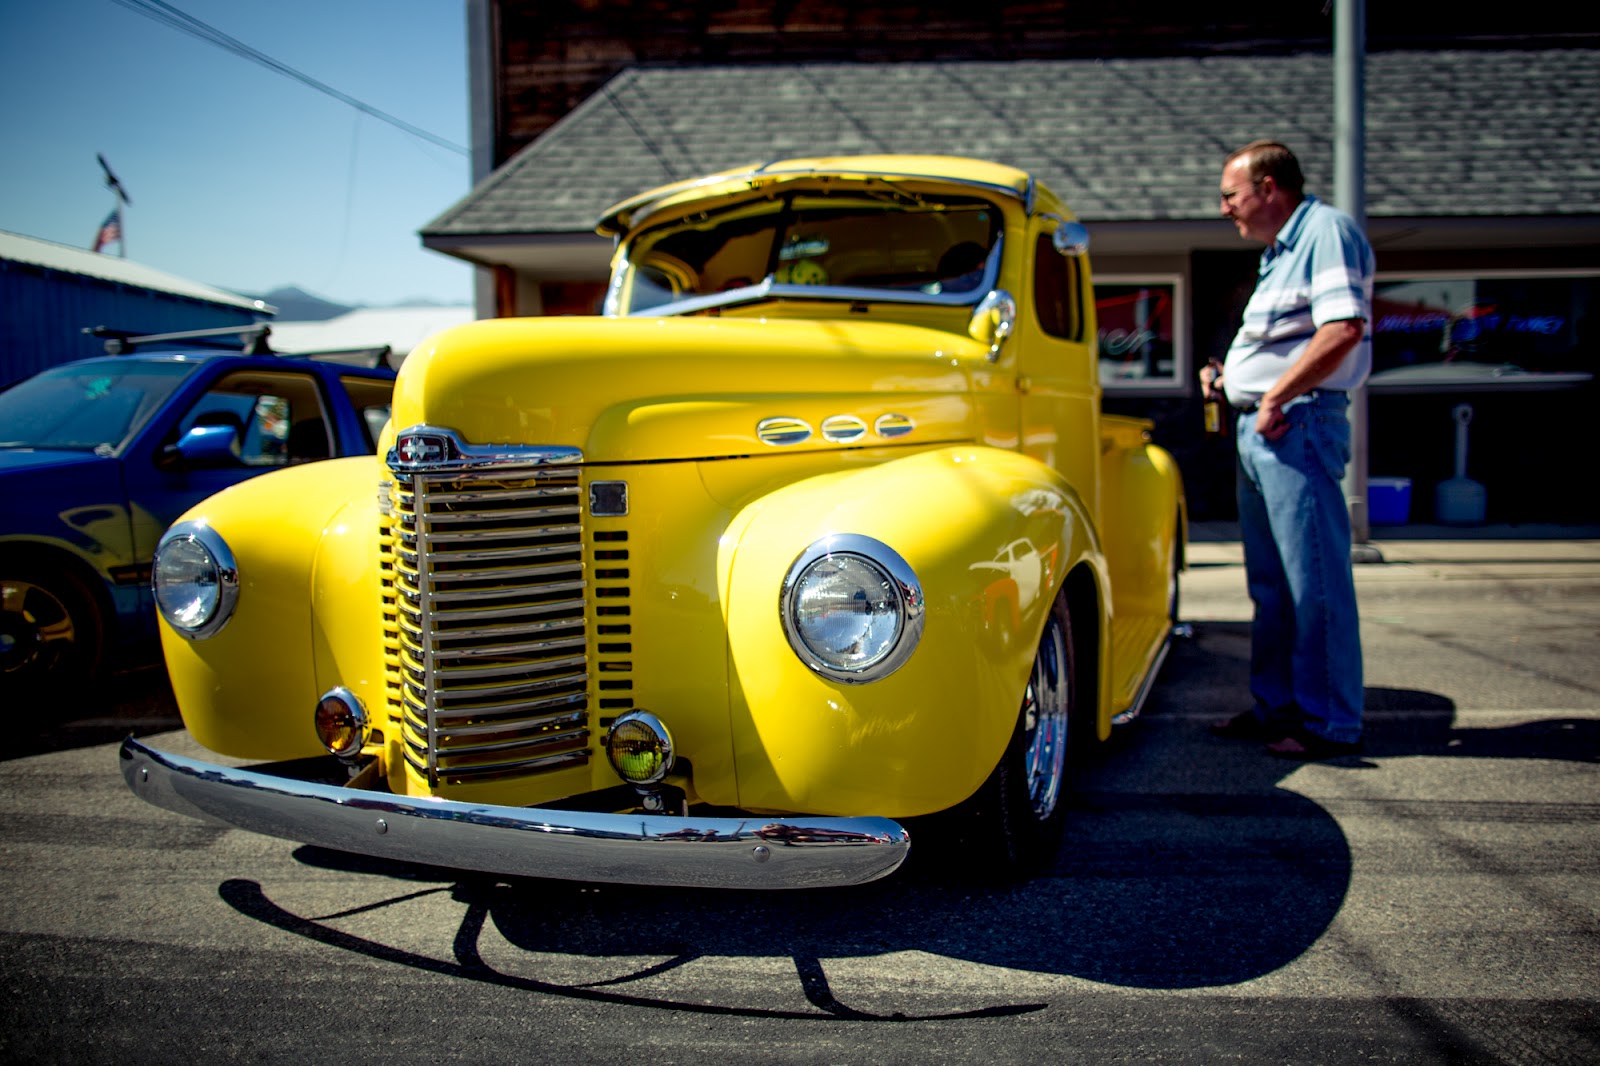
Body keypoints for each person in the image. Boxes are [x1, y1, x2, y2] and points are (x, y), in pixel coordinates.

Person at [1201, 140, 1372, 759]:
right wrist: (1232, 379)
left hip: (1293, 423)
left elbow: (1343, 327)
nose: (1225, 208)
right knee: (1272, 585)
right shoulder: (1282, 252)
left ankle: (1328, 724)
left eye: (1231, 195)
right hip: (1268, 424)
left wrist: (1273, 395)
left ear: (1269, 187)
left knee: (1313, 581)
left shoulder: (1325, 231)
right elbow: (1288, 338)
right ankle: (1278, 710)